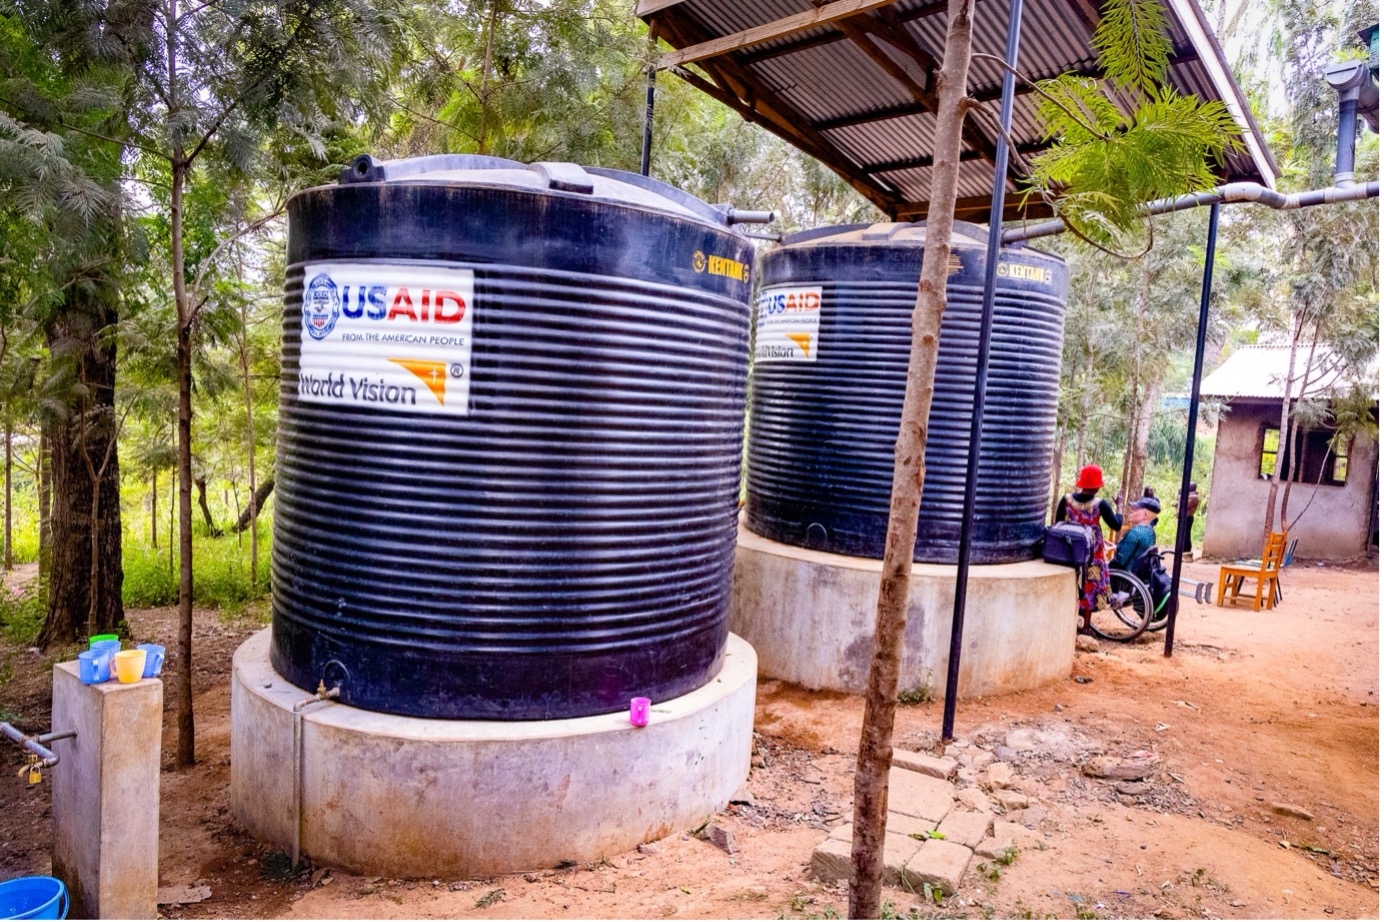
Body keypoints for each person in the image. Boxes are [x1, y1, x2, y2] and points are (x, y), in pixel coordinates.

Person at [1055, 464, 1123, 626]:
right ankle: (1086, 624)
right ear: (1098, 487)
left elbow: (1058, 523)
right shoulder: (1101, 504)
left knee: (1072, 579)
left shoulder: (1066, 500)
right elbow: (1117, 525)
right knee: (1090, 584)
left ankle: (1068, 620)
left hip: (1071, 548)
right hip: (1093, 550)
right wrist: (1119, 506)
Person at [1111, 496, 1160, 571]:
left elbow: (1119, 561)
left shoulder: (1135, 533)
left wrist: (1106, 566)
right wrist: (1116, 546)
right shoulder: (1150, 532)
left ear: (1145, 515)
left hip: (1123, 577)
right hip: (1138, 575)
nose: (1131, 511)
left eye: (1135, 510)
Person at [1177, 483, 1201, 554]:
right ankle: (1183, 549)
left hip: (1188, 517)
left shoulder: (1194, 497)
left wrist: (1180, 496)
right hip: (1185, 517)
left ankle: (1186, 550)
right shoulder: (1190, 496)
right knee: (1183, 534)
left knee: (1186, 534)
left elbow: (1185, 504)